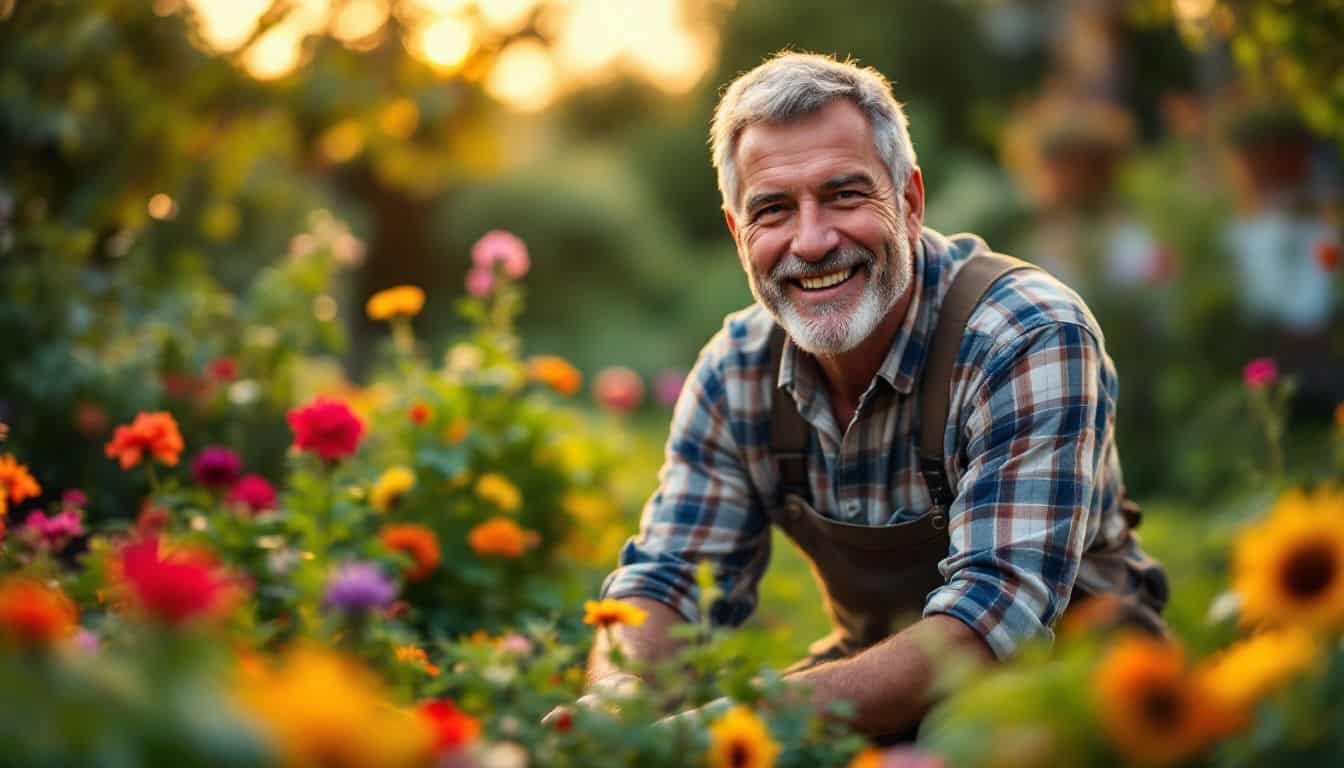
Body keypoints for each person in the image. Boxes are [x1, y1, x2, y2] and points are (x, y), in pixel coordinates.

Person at [587, 52, 1168, 741]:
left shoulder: (1024, 334)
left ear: (911, 202)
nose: (811, 240)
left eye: (844, 195)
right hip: (875, 689)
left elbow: (994, 619)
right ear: (738, 233)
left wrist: (734, 725)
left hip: (1074, 696)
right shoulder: (736, 371)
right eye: (773, 209)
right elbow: (671, 581)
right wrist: (614, 707)